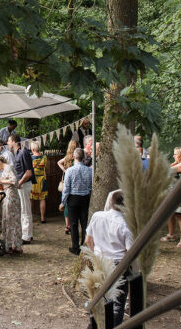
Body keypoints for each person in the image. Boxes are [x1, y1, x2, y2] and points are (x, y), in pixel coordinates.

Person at [85, 191, 133, 327]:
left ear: (111, 201)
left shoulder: (97, 216)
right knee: (117, 303)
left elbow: (88, 240)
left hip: (99, 262)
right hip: (118, 265)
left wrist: (95, 255)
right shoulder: (126, 225)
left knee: (98, 298)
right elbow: (130, 252)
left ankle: (95, 325)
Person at [60, 148, 93, 255]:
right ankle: (84, 245)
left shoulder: (69, 171)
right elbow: (91, 186)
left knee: (73, 223)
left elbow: (66, 189)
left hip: (73, 198)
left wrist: (62, 202)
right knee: (84, 222)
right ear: (83, 157)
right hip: (85, 198)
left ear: (74, 157)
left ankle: (75, 246)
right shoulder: (89, 171)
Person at [0, 156, 22, 254]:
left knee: (11, 220)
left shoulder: (8, 168)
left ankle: (13, 246)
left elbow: (14, 181)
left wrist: (1, 181)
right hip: (8, 194)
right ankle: (12, 245)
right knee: (9, 220)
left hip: (11, 196)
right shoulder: (5, 169)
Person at [8, 134, 35, 244]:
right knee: (23, 209)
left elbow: (28, 172)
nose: (7, 143)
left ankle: (26, 236)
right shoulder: (17, 153)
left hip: (24, 185)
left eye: (9, 141)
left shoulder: (24, 152)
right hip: (20, 185)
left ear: (14, 142)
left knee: (25, 210)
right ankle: (28, 234)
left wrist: (19, 183)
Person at [161, 146, 181, 248]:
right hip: (171, 192)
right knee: (170, 214)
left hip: (179, 193)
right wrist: (174, 162)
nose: (173, 156)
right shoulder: (178, 163)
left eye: (175, 154)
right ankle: (171, 235)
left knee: (179, 215)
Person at [57, 140, 78, 235]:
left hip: (66, 181)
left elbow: (59, 162)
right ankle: (72, 225)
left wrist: (65, 170)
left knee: (65, 202)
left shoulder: (67, 157)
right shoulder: (76, 157)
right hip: (73, 181)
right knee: (71, 202)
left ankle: (67, 226)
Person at [29, 140, 48, 224]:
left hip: (33, 180)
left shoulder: (30, 158)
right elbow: (46, 168)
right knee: (42, 198)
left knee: (31, 199)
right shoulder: (44, 157)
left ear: (32, 149)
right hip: (42, 180)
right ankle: (43, 218)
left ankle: (30, 217)